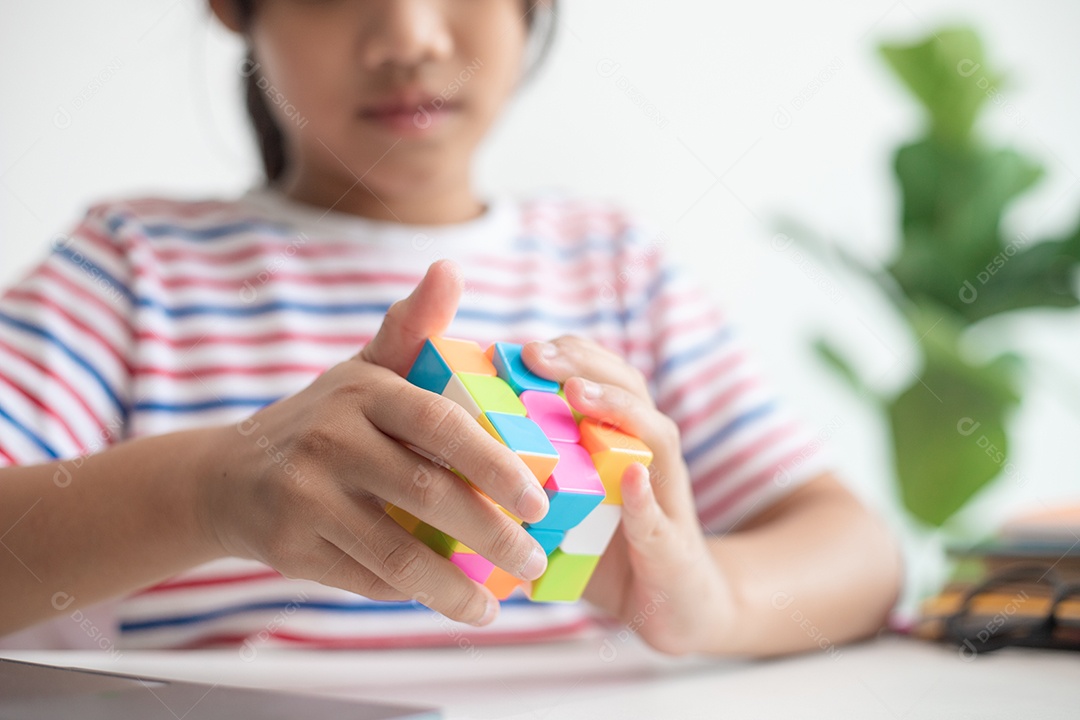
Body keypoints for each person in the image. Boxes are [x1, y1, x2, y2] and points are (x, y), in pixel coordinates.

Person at [0, 0, 900, 656]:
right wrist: (210, 492)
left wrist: (711, 601)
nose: (411, 38)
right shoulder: (128, 265)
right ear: (236, 10)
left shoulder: (615, 267)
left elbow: (860, 549)